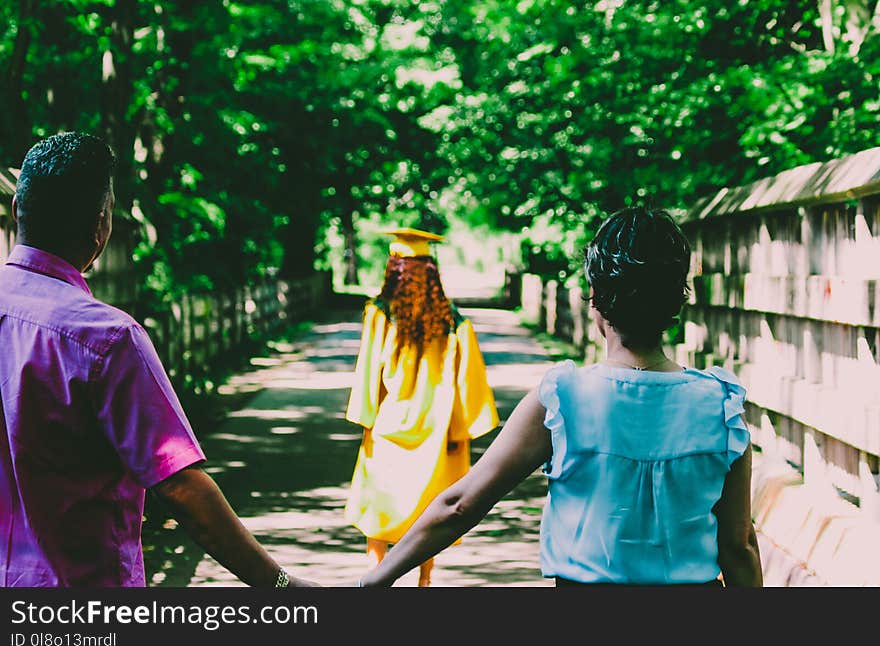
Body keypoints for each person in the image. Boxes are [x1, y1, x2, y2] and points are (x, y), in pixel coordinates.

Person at [357, 207, 763, 587]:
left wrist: (373, 581)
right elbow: (739, 546)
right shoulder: (721, 406)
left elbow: (459, 506)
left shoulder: (562, 400)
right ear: (677, 299)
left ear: (594, 298)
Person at [0, 131, 316, 587]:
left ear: (16, 211)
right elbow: (180, 486)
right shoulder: (106, 338)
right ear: (101, 224)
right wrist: (282, 585)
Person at [344, 227, 499, 586]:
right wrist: (460, 432)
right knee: (427, 511)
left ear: (393, 268)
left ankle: (375, 577)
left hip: (387, 428)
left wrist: (366, 420)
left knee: (379, 512)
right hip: (435, 429)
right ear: (432, 271)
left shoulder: (381, 313)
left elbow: (368, 377)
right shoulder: (452, 321)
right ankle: (424, 580)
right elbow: (467, 381)